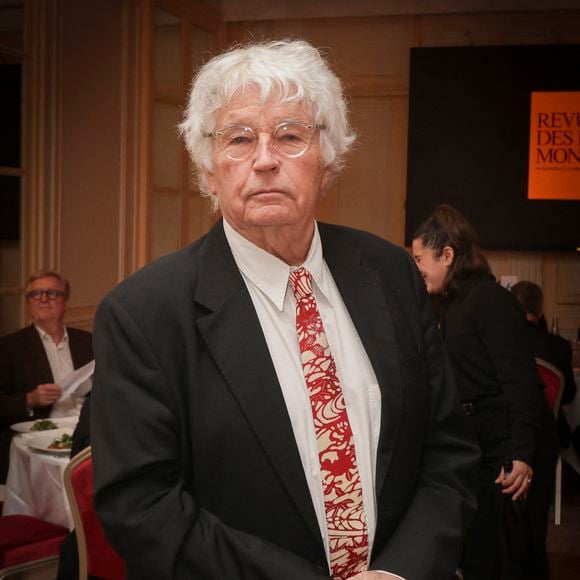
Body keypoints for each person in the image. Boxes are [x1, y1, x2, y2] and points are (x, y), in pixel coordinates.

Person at [91, 40, 479, 580]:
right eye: (239, 138)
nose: (265, 158)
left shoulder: (391, 274)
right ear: (208, 170)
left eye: (291, 135)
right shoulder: (143, 314)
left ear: (329, 160)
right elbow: (143, 509)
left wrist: (401, 572)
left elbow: (447, 452)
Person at [411, 205, 558, 580]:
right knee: (483, 552)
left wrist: (522, 454)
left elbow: (521, 382)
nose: (417, 269)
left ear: (447, 255)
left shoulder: (489, 300)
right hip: (481, 444)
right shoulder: (453, 305)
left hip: (507, 447)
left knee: (510, 556)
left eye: (419, 259)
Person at [0, 269, 93, 482]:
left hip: (87, 436)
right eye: (36, 294)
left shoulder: (87, 341)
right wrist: (29, 399)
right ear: (28, 303)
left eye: (52, 293)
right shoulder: (8, 347)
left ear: (65, 302)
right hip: (40, 440)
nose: (43, 299)